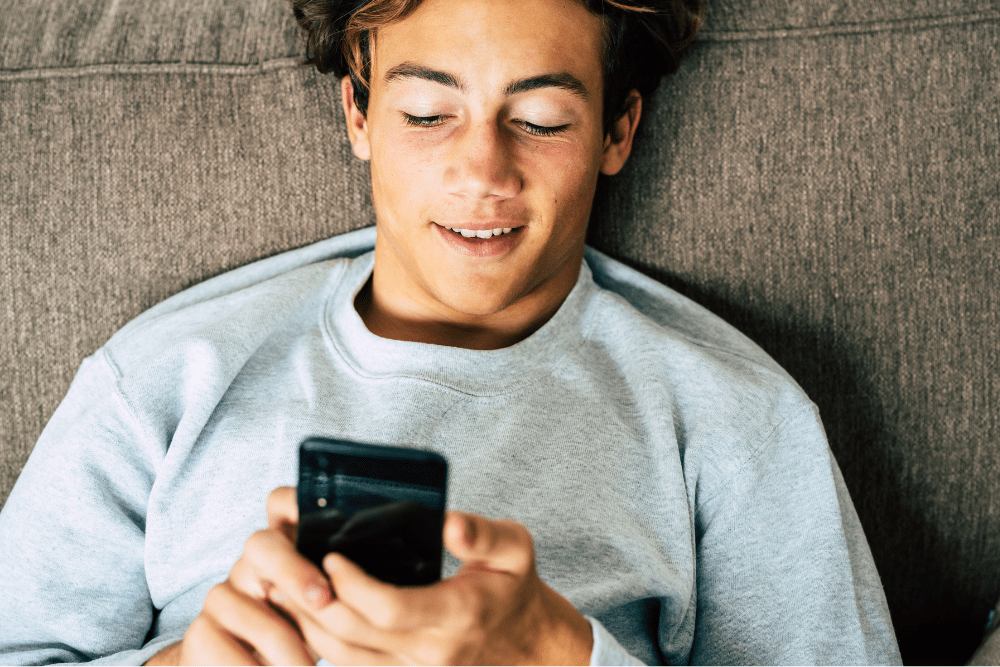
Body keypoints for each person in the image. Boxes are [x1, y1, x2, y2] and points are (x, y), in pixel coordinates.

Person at [0, 0, 903, 664]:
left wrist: (556, 651)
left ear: (618, 130)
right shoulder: (162, 379)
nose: (482, 172)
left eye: (543, 120)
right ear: (359, 115)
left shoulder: (735, 417)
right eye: (428, 114)